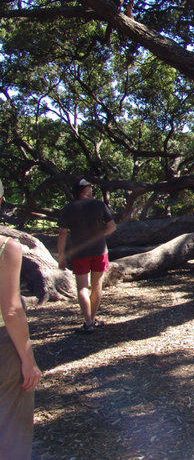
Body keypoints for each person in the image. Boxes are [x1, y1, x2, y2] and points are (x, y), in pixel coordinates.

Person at [0, 179, 42, 460]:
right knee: (11, 430)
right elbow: (12, 308)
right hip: (3, 346)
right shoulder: (7, 247)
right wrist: (28, 360)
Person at [58, 178, 116, 334]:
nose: (91, 190)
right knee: (97, 285)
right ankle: (93, 318)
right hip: (99, 251)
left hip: (79, 253)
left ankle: (88, 322)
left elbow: (62, 234)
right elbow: (112, 227)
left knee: (82, 287)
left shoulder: (68, 208)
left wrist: (61, 256)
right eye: (89, 187)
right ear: (85, 190)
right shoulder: (99, 205)